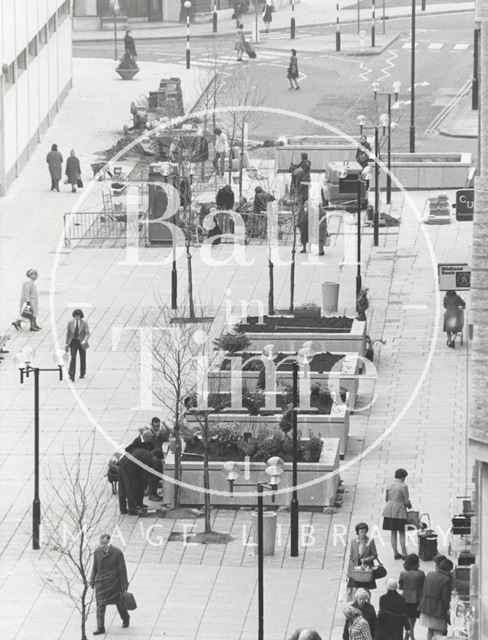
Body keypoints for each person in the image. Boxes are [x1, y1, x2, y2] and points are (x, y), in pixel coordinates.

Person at [90, 534, 130, 634]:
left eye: (103, 543)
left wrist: (124, 585)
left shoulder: (117, 553)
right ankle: (100, 627)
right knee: (100, 606)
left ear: (108, 541)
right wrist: (92, 580)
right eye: (100, 543)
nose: (101, 545)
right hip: (101, 583)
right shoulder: (97, 552)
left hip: (114, 584)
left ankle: (125, 618)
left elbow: (122, 570)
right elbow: (95, 567)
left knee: (119, 604)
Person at [418, 558, 453, 640]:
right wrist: (446, 610)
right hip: (438, 609)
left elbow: (423, 589)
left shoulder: (429, 574)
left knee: (430, 629)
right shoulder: (446, 579)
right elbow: (445, 598)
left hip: (426, 606)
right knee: (440, 631)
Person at [382, 468, 412, 559]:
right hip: (399, 511)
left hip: (389, 510)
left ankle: (395, 553)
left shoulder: (389, 485)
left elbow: (386, 498)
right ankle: (404, 553)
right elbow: (406, 501)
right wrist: (409, 506)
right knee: (402, 532)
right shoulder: (403, 486)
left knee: (393, 532)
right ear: (403, 477)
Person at [346, 522, 378, 601]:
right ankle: (356, 603)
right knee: (355, 589)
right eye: (361, 532)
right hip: (356, 568)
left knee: (366, 589)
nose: (363, 534)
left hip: (366, 569)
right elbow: (351, 555)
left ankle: (368, 602)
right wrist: (349, 571)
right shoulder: (354, 541)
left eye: (364, 531)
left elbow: (375, 555)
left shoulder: (370, 541)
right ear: (357, 532)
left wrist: (366, 559)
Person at [118, 447, 154, 515]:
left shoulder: (144, 451)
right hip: (129, 467)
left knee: (122, 488)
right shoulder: (149, 459)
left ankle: (123, 509)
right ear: (155, 457)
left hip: (122, 462)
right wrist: (146, 486)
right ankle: (133, 510)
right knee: (130, 489)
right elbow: (146, 474)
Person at [399, 553, 425, 640]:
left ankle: (409, 633)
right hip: (417, 599)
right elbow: (423, 586)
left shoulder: (403, 574)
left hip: (405, 598)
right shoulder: (421, 574)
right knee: (413, 619)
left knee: (408, 618)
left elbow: (401, 586)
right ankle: (411, 634)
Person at [65, 308, 90, 382]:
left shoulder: (84, 323)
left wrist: (85, 340)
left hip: (81, 342)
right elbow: (68, 333)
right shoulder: (70, 323)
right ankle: (71, 374)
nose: (76, 317)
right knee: (73, 357)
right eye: (75, 316)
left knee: (82, 357)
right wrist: (67, 344)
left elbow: (87, 333)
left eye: (77, 316)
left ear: (80, 316)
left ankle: (82, 372)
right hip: (73, 342)